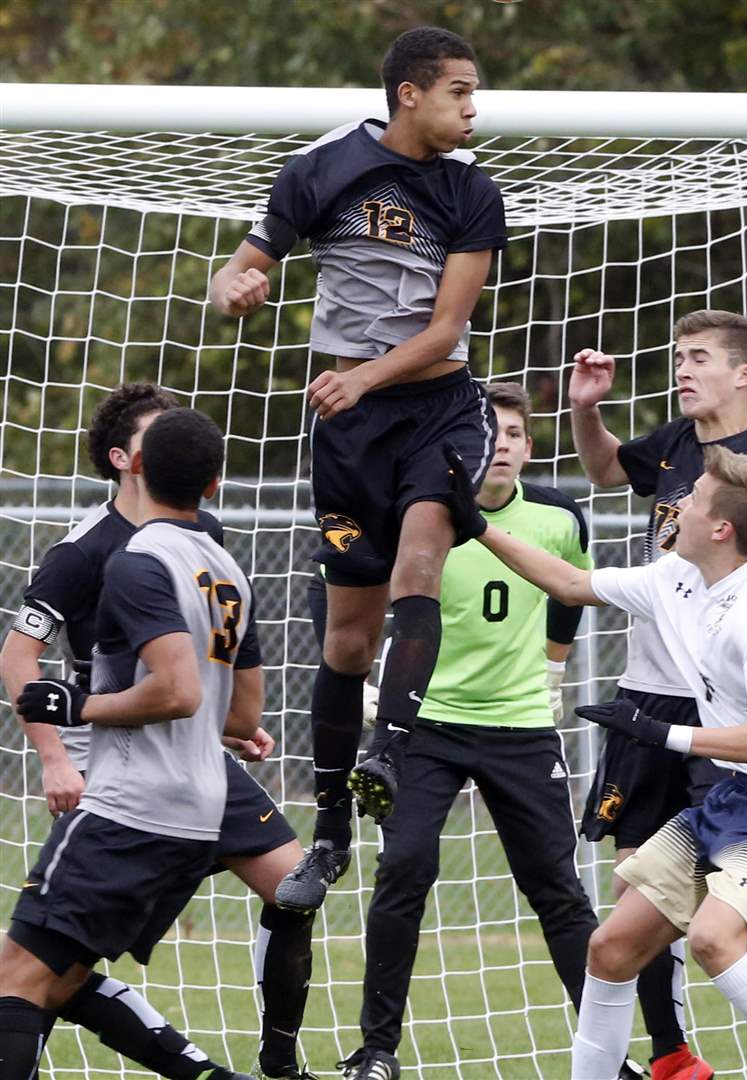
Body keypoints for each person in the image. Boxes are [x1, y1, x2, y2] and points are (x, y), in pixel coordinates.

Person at [443, 442, 747, 1080]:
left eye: (693, 500)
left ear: (721, 530)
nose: (676, 506)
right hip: (739, 791)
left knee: (713, 939)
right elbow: (570, 583)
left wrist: (660, 734)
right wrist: (476, 525)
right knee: (611, 948)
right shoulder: (677, 576)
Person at [209, 25, 507, 914]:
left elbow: (446, 331)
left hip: (440, 411)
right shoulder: (320, 169)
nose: (474, 108)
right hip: (349, 433)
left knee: (423, 553)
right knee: (346, 642)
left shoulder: (472, 191)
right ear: (409, 93)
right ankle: (331, 830)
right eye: (460, 91)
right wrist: (234, 290)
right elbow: (237, 273)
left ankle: (391, 745)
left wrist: (365, 377)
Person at [0, 386, 316, 1080]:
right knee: (46, 969)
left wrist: (207, 721)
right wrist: (54, 758)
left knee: (29, 969)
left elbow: (183, 687)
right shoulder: (83, 552)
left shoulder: (188, 546)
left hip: (151, 776)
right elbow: (18, 657)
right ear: (127, 459)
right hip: (118, 762)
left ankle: (278, 1060)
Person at [304, 383, 610, 1080]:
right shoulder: (422, 515)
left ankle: (606, 1055)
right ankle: (376, 1052)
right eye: (491, 432)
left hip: (521, 727)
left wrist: (553, 672)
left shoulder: (560, 518)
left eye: (514, 434)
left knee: (558, 890)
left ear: (529, 448)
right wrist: (366, 677)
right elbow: (345, 590)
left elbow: (569, 596)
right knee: (403, 872)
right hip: (426, 728)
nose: (501, 445)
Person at [570, 310, 747, 1080]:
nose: (683, 368)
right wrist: (585, 409)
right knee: (637, 874)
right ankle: (671, 1054)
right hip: (646, 696)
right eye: (680, 356)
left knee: (728, 875)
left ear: (744, 374)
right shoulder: (675, 442)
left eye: (700, 357)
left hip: (715, 711)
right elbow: (605, 471)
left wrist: (726, 606)